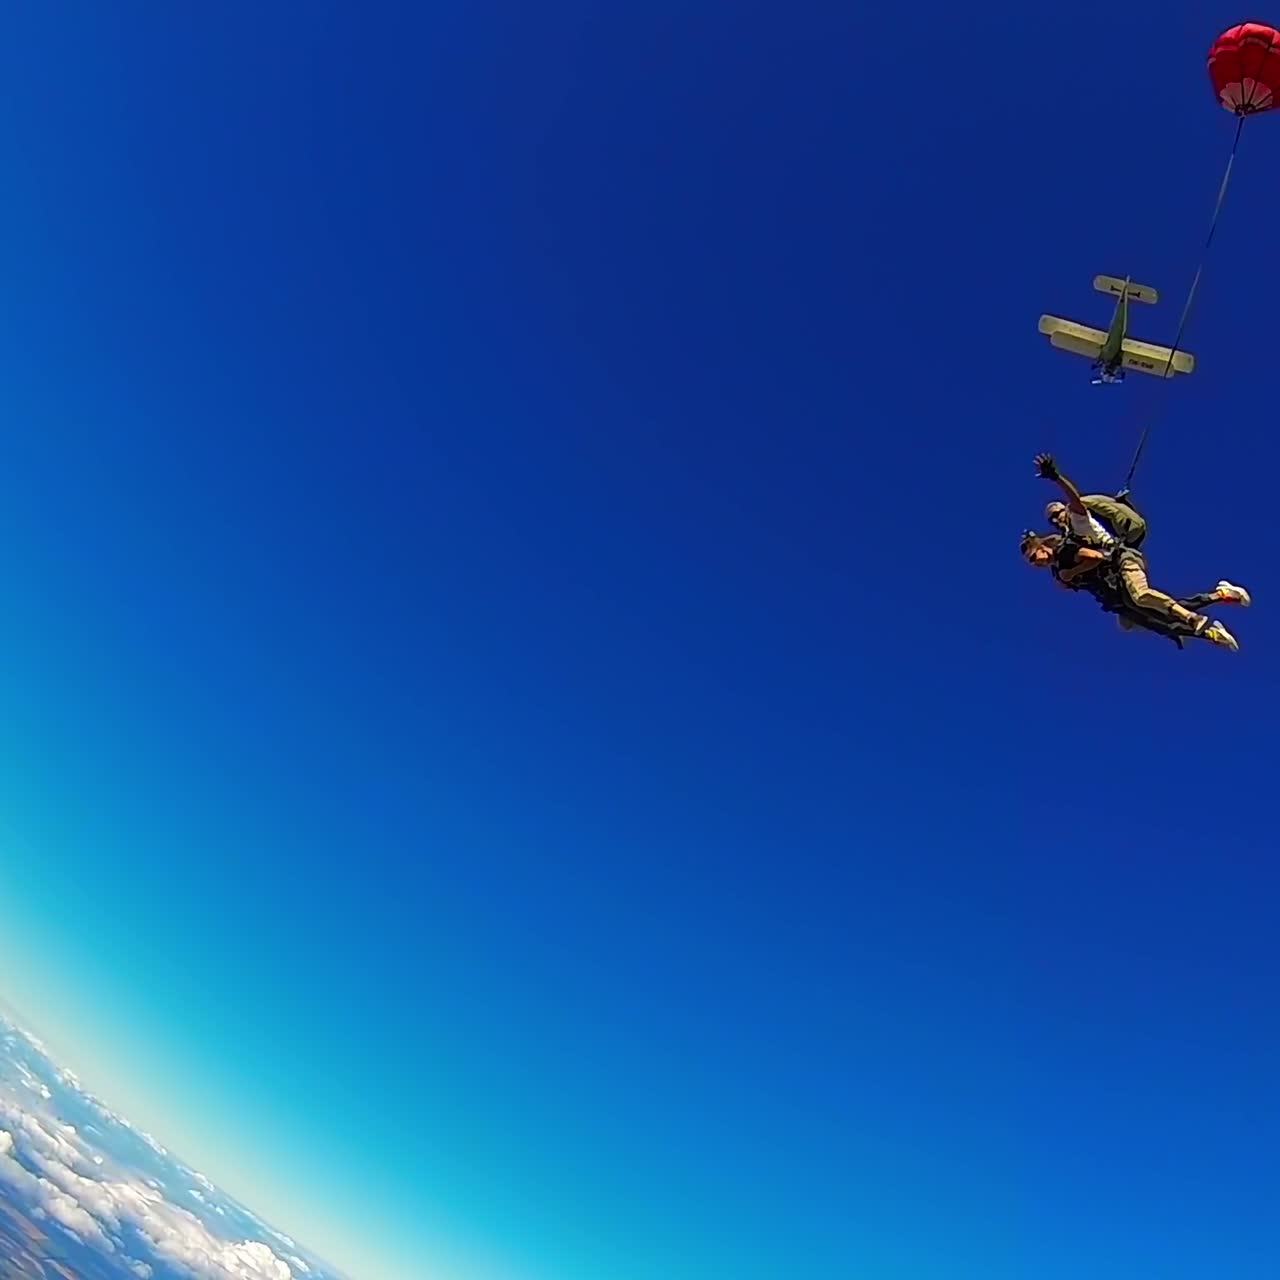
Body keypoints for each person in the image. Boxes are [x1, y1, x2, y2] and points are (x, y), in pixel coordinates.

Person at [1020, 529, 1246, 649]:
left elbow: (1096, 557)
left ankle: (1217, 599)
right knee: (1157, 623)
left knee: (1159, 610)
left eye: (1034, 556)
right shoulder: (1057, 567)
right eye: (1032, 563)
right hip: (1113, 599)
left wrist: (1072, 573)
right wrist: (1065, 581)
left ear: (1041, 547)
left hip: (1118, 585)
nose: (1036, 562)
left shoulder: (1064, 552)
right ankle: (1211, 628)